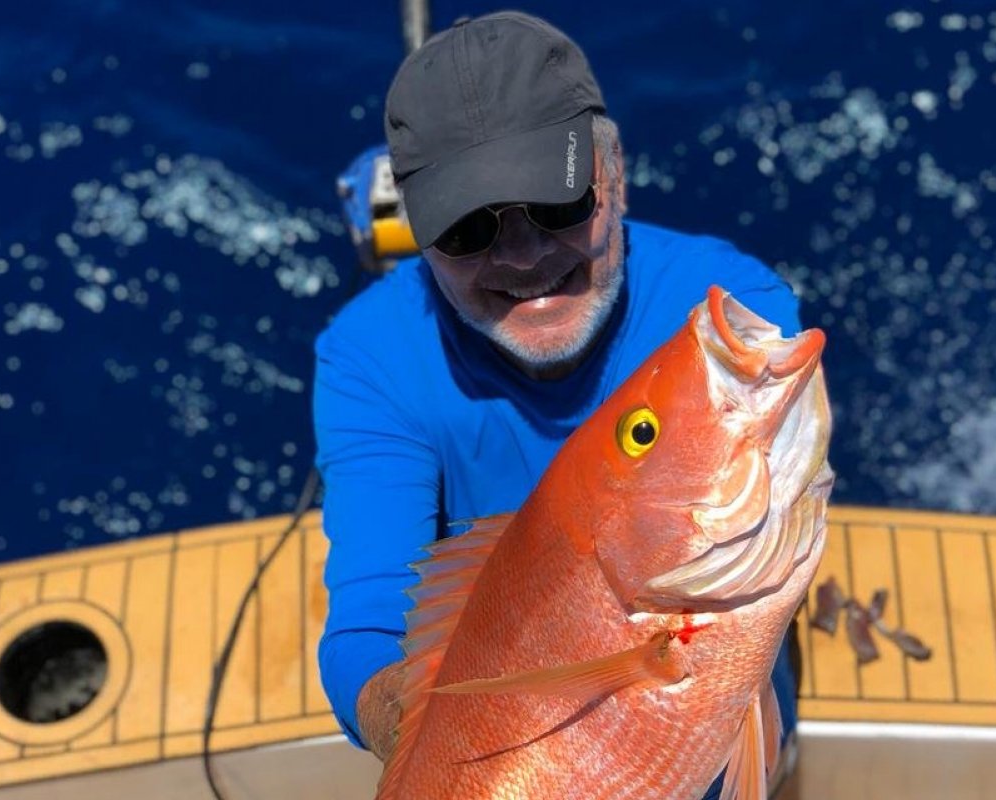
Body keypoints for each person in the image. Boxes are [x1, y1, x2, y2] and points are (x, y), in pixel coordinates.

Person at [314, 10, 803, 797]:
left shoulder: (723, 317)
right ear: (418, 231)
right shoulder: (368, 355)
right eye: (466, 227)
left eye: (558, 202)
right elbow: (367, 627)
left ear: (616, 172)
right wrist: (453, 746)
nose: (523, 255)